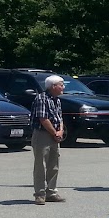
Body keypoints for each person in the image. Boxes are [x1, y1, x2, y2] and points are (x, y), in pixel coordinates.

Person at [30, 75, 66, 205]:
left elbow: (60, 117)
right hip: (42, 134)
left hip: (54, 135)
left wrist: (60, 131)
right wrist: (54, 133)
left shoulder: (56, 100)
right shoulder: (41, 98)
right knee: (41, 165)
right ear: (53, 86)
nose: (63, 87)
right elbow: (43, 119)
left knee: (54, 164)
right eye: (61, 85)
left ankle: (51, 192)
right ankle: (39, 194)